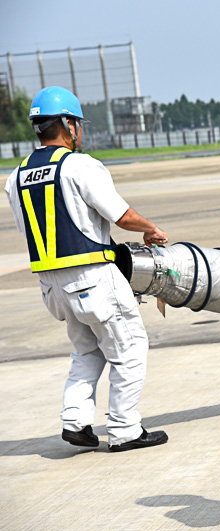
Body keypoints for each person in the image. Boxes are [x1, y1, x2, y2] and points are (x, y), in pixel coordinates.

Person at [4, 86, 169, 453]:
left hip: (52, 286)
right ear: (67, 124)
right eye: (76, 123)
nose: (79, 130)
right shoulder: (79, 166)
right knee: (129, 348)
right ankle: (125, 429)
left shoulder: (15, 176)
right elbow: (121, 215)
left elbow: (27, 228)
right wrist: (150, 228)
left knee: (87, 352)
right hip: (93, 277)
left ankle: (75, 421)